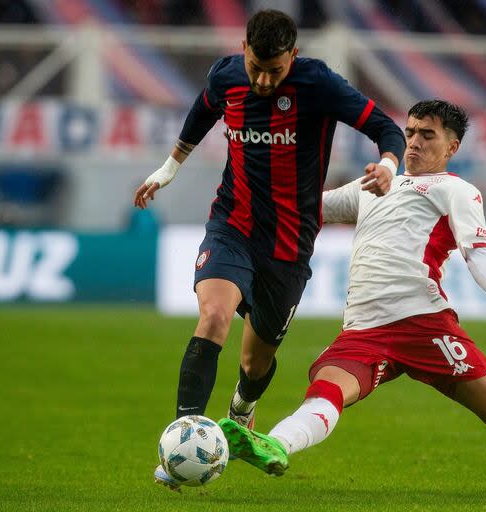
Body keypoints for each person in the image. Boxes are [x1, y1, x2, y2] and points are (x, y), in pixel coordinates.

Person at [217, 100, 486, 496]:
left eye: (427, 135)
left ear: (452, 147)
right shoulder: (374, 185)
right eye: (409, 132)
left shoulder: (455, 190)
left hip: (424, 323)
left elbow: (477, 251)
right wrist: (248, 197)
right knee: (327, 390)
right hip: (364, 329)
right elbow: (308, 208)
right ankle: (274, 445)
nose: (413, 142)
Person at [135, 10, 405, 490]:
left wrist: (387, 163)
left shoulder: (318, 83)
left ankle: (240, 410)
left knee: (255, 363)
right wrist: (168, 168)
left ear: (293, 58)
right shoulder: (226, 76)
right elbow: (201, 113)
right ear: (244, 49)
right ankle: (181, 441)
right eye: (256, 65)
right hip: (232, 225)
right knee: (214, 317)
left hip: (289, 243)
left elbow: (386, 126)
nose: (262, 79)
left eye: (274, 70)